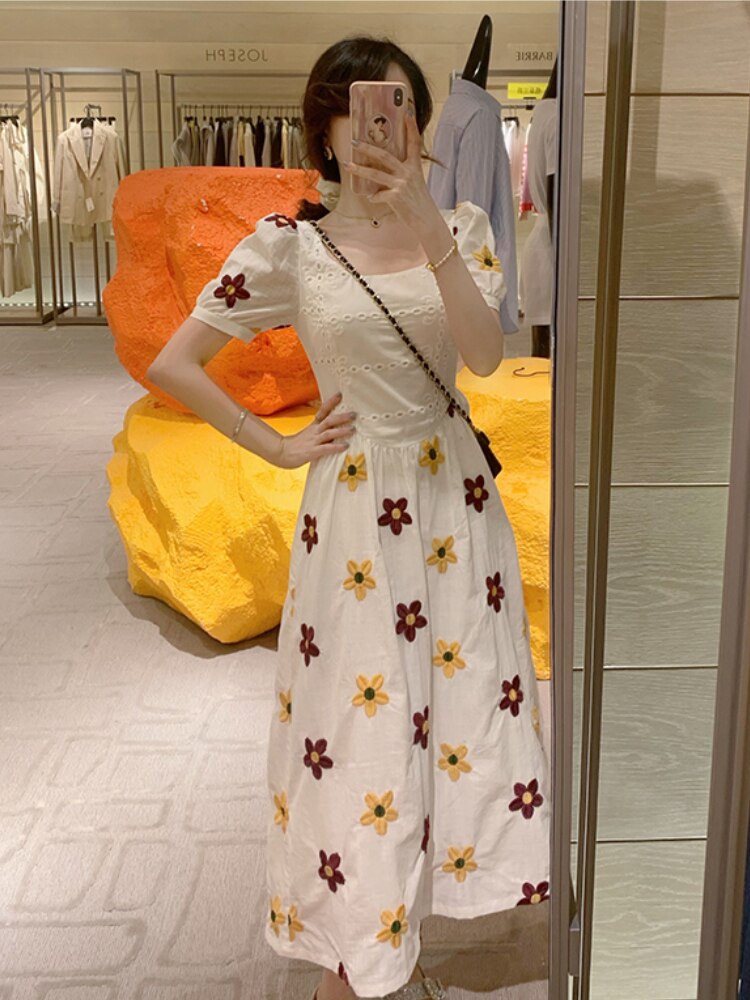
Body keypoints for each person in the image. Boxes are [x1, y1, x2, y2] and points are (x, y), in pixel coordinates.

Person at [147, 35, 550, 1000]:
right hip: (357, 513)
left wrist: (427, 223)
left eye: (401, 109)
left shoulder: (461, 227)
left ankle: (414, 916)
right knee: (359, 720)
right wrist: (276, 445)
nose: (382, 128)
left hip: (454, 505)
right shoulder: (293, 246)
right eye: (363, 110)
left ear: (419, 125)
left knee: (455, 705)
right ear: (326, 131)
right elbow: (174, 362)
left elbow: (485, 357)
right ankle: (355, 955)